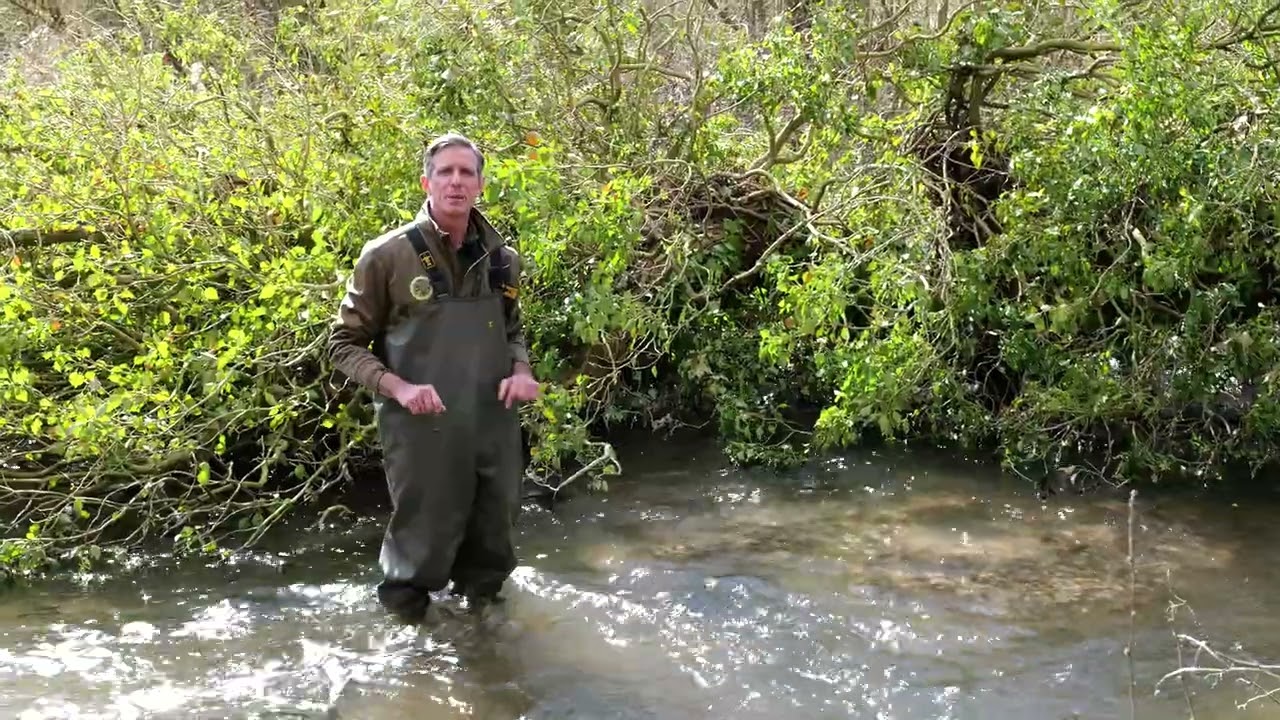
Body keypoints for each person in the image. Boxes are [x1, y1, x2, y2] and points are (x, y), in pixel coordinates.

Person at [327, 132, 540, 624]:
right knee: (415, 561)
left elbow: (512, 330)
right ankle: (410, 662)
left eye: (467, 173)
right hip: (422, 432)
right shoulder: (386, 256)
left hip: (493, 428)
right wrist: (399, 388)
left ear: (481, 185)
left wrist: (522, 370)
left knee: (492, 553)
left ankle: (485, 651)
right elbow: (342, 344)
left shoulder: (503, 259)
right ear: (427, 181)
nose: (456, 182)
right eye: (445, 172)